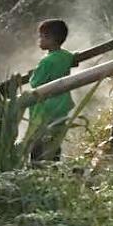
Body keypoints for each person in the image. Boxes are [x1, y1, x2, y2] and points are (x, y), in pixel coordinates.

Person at [28, 18, 76, 161]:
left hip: (45, 110)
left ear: (49, 39)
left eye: (41, 37)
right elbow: (74, 58)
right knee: (55, 141)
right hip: (61, 106)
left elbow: (35, 83)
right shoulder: (66, 56)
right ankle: (53, 166)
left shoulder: (46, 61)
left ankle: (36, 171)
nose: (39, 40)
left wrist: (32, 75)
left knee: (38, 146)